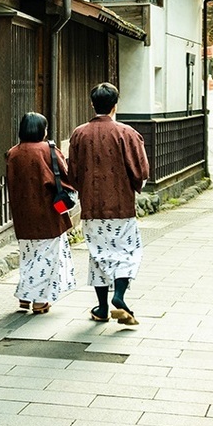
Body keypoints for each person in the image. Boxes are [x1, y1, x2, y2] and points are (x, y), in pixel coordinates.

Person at [68, 83, 150, 325]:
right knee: (128, 252)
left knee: (98, 254)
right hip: (121, 205)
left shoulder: (79, 133)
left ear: (93, 104)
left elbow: (72, 172)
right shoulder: (127, 133)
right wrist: (136, 186)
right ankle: (119, 296)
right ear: (115, 105)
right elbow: (141, 171)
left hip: (92, 207)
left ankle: (102, 308)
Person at [5, 112, 77, 314]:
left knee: (29, 254)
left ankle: (25, 298)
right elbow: (65, 176)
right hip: (48, 211)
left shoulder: (13, 153)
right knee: (46, 257)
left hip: (23, 212)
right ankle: (38, 301)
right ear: (41, 130)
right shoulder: (48, 150)